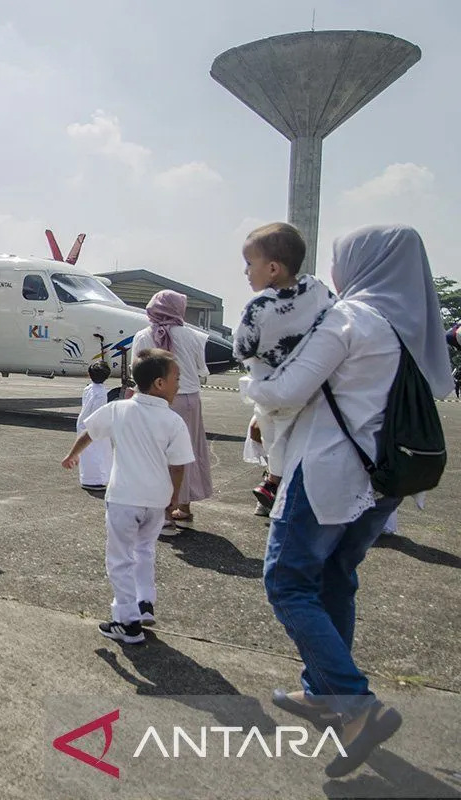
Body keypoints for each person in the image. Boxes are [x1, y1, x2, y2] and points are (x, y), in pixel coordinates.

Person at [241, 224, 453, 777]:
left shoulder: (351, 318)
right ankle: (322, 691)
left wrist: (251, 384)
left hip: (329, 473)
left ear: (362, 262)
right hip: (382, 480)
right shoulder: (409, 325)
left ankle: (358, 707)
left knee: (287, 581)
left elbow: (287, 390)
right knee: (336, 576)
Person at [62, 349, 194, 644]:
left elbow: (89, 432)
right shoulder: (173, 421)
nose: (178, 384)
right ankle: (144, 602)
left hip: (124, 498)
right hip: (156, 501)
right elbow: (178, 466)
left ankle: (127, 620)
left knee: (120, 558)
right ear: (159, 383)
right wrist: (173, 498)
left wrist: (73, 455)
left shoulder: (118, 409)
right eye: (176, 379)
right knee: (145, 550)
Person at [233, 222, 336, 511]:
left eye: (249, 264)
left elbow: (241, 348)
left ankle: (274, 482)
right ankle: (280, 483)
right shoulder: (317, 290)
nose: (245, 272)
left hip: (272, 391)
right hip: (311, 389)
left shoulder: (259, 306)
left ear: (273, 269)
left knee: (274, 438)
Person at [129, 290, 211, 529]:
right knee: (188, 451)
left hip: (157, 400)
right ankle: (184, 507)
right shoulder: (193, 335)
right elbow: (201, 369)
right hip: (189, 400)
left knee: (158, 454)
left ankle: (163, 514)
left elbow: (137, 370)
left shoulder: (143, 335)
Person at [76, 361, 113, 490]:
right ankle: (96, 479)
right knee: (98, 452)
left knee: (87, 452)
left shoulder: (88, 389)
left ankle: (87, 477)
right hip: (95, 424)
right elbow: (98, 411)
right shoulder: (102, 392)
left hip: (83, 422)